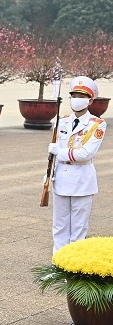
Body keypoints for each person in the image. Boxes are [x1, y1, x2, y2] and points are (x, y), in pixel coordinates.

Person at [49, 76, 106, 253]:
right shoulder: (62, 121)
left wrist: (59, 152)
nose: (76, 99)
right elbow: (53, 150)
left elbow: (86, 153)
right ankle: (58, 262)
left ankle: (73, 265)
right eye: (74, 95)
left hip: (82, 180)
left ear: (90, 100)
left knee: (78, 229)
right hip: (61, 178)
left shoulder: (97, 124)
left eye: (81, 96)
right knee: (59, 226)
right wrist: (49, 173)